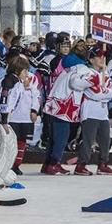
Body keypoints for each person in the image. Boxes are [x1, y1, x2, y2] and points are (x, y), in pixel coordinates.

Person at [43, 40, 92, 175]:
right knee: (62, 136)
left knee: (53, 136)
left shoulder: (68, 63)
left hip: (55, 103)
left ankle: (47, 163)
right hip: (65, 105)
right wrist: (90, 83)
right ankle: (54, 164)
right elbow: (75, 83)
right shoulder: (82, 68)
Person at [73, 46, 112, 176]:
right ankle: (81, 165)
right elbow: (95, 94)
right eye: (98, 56)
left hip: (102, 112)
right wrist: (106, 92)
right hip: (90, 110)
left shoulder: (105, 73)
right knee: (88, 140)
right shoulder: (88, 73)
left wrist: (106, 92)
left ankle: (103, 164)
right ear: (91, 59)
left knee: (105, 139)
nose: (102, 59)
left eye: (103, 56)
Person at [6, 56, 40, 175]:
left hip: (26, 117)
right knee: (10, 141)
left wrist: (34, 110)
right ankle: (8, 164)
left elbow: (36, 95)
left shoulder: (33, 78)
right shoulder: (9, 80)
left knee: (22, 142)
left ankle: (16, 165)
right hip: (13, 117)